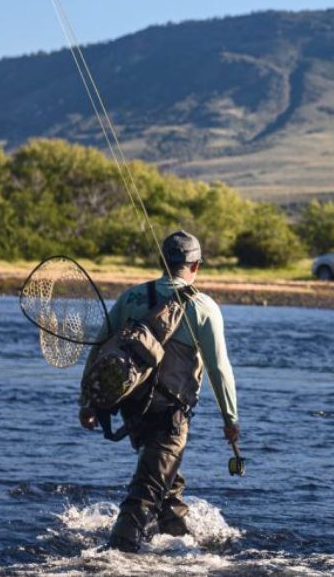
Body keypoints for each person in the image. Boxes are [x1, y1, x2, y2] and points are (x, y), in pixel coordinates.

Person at [78, 230, 240, 552]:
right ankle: (113, 557)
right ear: (196, 266)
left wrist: (88, 402)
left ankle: (182, 544)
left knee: (165, 484)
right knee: (147, 492)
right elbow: (219, 369)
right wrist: (230, 419)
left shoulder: (131, 298)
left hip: (132, 412)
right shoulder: (204, 307)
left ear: (161, 261)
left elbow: (98, 349)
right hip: (171, 416)